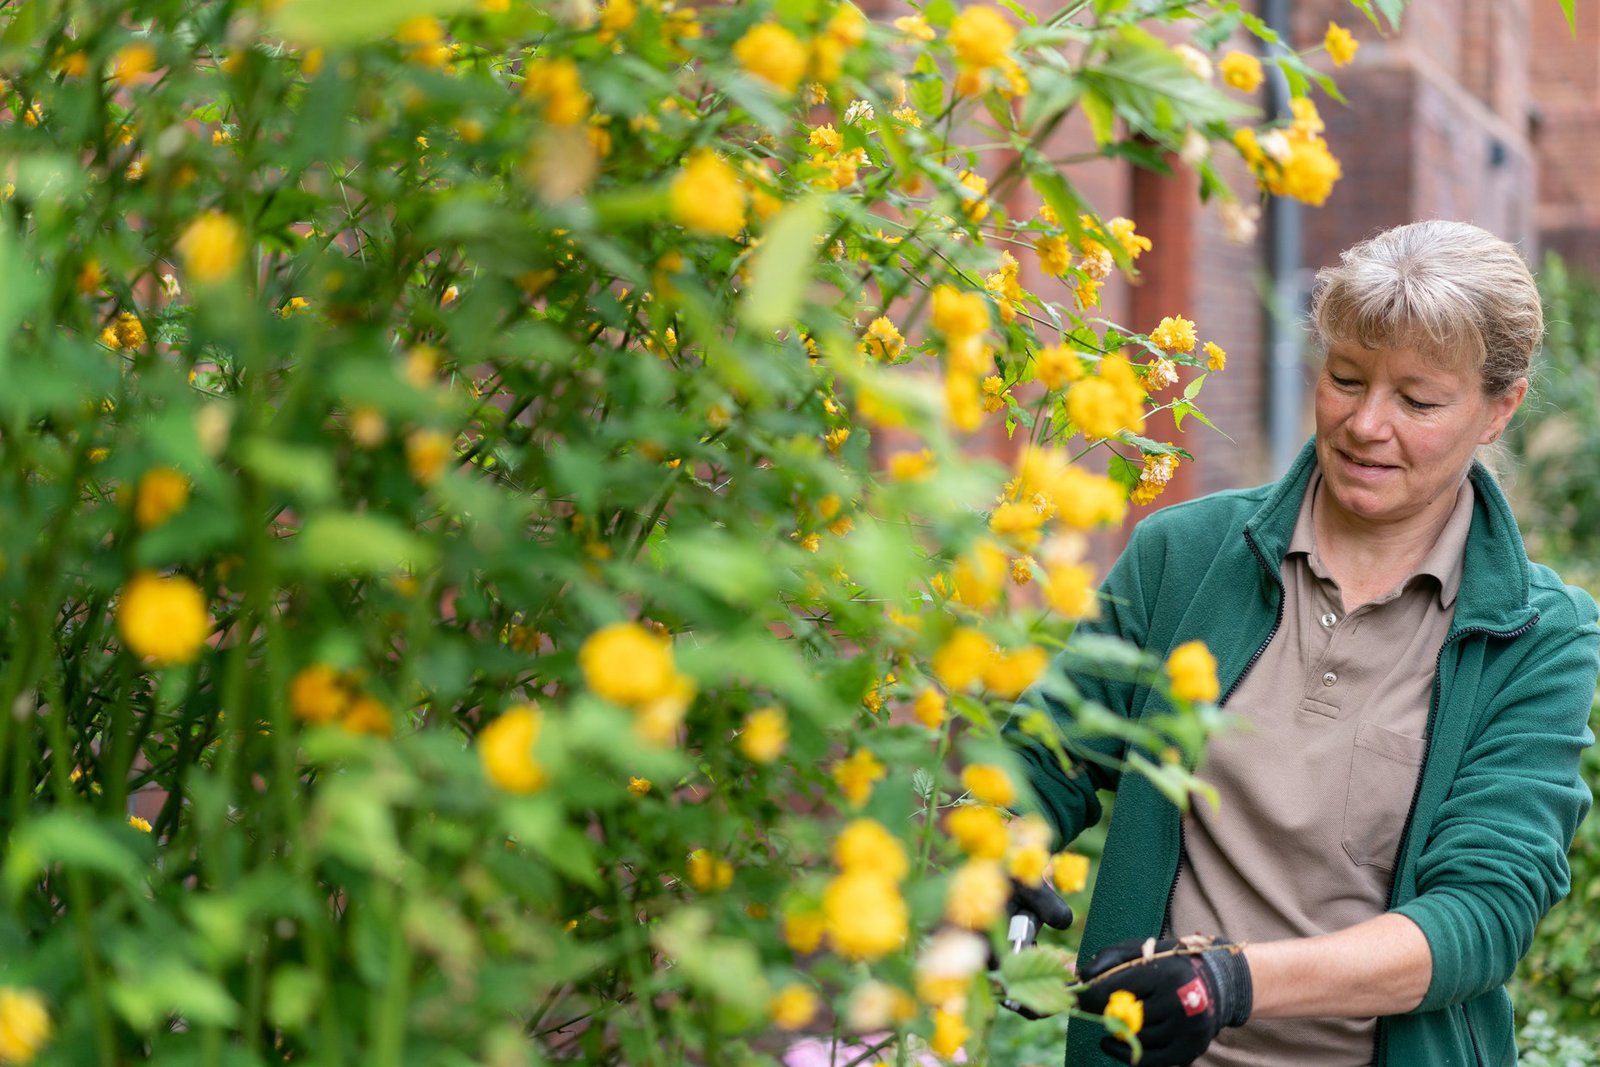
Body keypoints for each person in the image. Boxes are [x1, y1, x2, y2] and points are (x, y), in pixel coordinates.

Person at [1005, 220, 1600, 1066]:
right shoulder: (1184, 554)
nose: (1365, 423)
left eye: (1418, 401)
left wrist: (1231, 981)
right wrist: (995, 845)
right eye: (1345, 378)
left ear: (1499, 408)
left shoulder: (1539, 635)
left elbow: (1481, 915)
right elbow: (1049, 753)